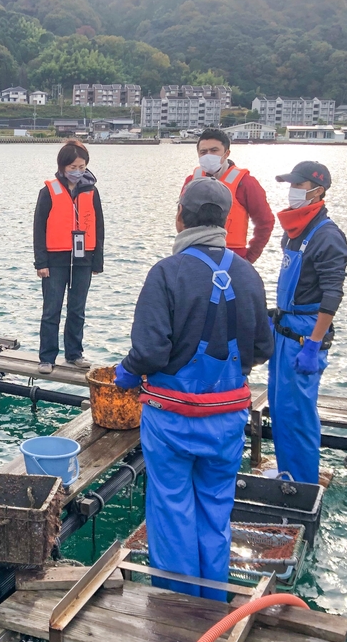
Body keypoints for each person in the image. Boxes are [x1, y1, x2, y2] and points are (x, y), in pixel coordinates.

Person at [115, 177, 273, 600]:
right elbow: (261, 349)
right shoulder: (247, 273)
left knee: (171, 510)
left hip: (172, 421)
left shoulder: (166, 272)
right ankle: (213, 604)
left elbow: (149, 352)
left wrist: (125, 374)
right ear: (225, 219)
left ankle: (176, 611)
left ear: (180, 216)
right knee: (215, 511)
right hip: (226, 421)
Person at [268, 162, 347, 485]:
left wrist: (314, 344)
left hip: (305, 336)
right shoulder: (295, 232)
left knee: (300, 415)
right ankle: (287, 472)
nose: (293, 191)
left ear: (318, 191)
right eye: (291, 184)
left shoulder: (328, 235)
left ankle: (302, 486)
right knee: (280, 411)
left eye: (298, 185)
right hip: (283, 332)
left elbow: (332, 294)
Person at [33, 140, 105, 374]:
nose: (77, 171)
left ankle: (74, 354)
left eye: (82, 166)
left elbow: (99, 226)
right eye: (72, 166)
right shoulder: (49, 190)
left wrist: (98, 260)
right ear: (62, 166)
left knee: (77, 309)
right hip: (55, 259)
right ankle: (47, 356)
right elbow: (38, 227)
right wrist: (40, 262)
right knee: (51, 309)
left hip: (83, 258)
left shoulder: (92, 191)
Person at [185, 129, 274, 263]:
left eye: (214, 150)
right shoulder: (191, 181)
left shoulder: (246, 183)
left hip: (233, 256)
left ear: (227, 153)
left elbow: (265, 221)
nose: (208, 155)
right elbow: (181, 219)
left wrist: (249, 258)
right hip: (194, 254)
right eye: (203, 152)